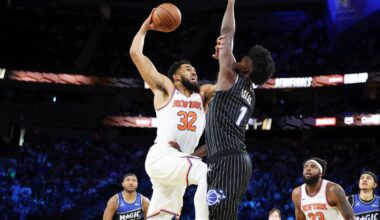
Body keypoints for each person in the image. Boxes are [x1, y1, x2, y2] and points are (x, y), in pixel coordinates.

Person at [129, 11, 218, 220]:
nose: (194, 72)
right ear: (176, 76)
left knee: (160, 218)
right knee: (206, 173)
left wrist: (224, 57)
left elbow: (226, 85)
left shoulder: (203, 95)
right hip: (163, 156)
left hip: (178, 163)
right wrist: (145, 26)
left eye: (195, 69)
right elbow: (135, 53)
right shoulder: (166, 89)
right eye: (189, 69)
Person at [204, 0, 275, 219]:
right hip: (232, 160)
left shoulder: (230, 77)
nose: (239, 57)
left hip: (228, 161)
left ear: (247, 67)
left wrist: (231, 3)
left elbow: (227, 32)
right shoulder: (250, 94)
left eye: (244, 58)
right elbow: (217, 134)